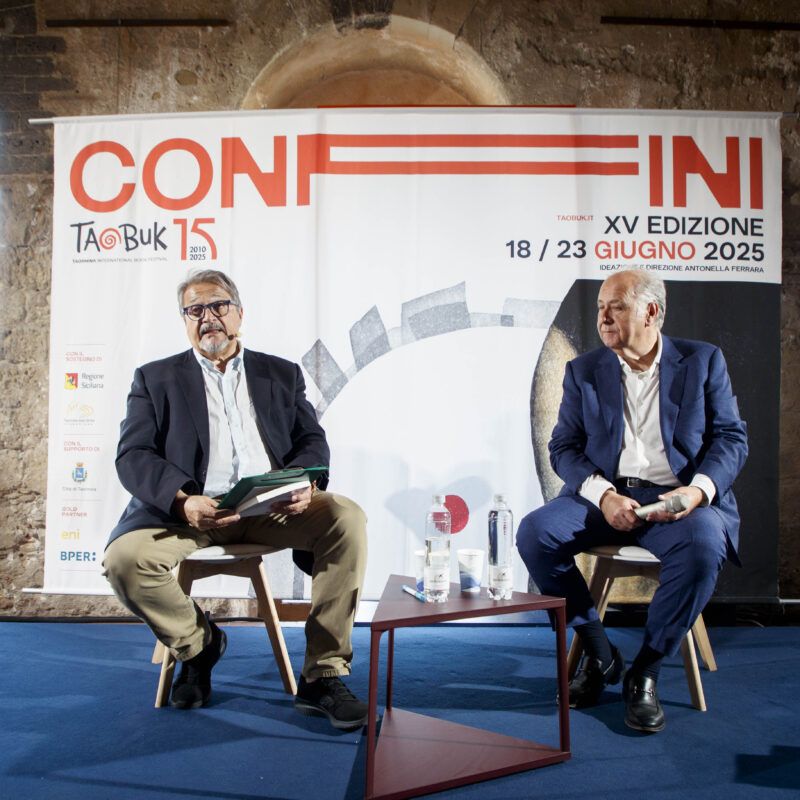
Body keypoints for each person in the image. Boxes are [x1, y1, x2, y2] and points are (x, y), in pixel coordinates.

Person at [103, 268, 369, 731]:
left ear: (239, 314)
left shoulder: (280, 373)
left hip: (270, 508)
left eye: (218, 305)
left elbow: (310, 439)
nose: (207, 317)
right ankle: (199, 647)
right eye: (195, 310)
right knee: (124, 560)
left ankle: (322, 675)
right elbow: (133, 455)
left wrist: (303, 483)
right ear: (185, 321)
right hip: (191, 513)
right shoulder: (155, 378)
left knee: (345, 517)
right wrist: (182, 501)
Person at [517, 270, 747, 733]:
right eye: (600, 307)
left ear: (651, 312)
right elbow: (563, 448)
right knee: (535, 533)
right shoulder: (584, 370)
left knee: (704, 546)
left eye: (616, 306)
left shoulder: (702, 361)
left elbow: (730, 438)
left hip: (677, 499)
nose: (603, 317)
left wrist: (696, 491)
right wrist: (603, 496)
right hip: (606, 494)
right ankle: (600, 653)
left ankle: (645, 670)